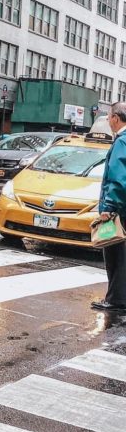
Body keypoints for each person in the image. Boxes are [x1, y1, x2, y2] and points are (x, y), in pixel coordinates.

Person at [91, 102, 126, 311]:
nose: (107, 121)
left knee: (115, 254)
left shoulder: (122, 142)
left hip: (120, 209)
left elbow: (118, 179)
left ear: (115, 118)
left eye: (108, 116)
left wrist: (109, 207)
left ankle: (116, 299)